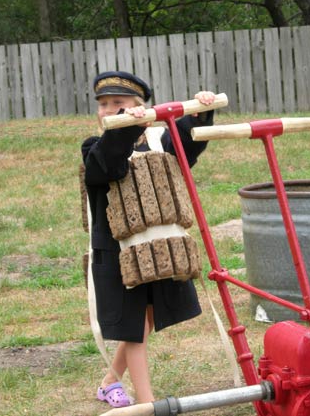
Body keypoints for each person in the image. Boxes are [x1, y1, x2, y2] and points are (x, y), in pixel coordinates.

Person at [81, 71, 215, 408]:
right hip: (118, 251)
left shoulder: (159, 140)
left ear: (140, 107)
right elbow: (109, 165)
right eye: (103, 104)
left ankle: (109, 382)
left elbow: (188, 147)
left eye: (119, 103)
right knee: (134, 325)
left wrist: (200, 111)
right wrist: (126, 127)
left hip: (160, 248)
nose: (108, 109)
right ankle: (148, 403)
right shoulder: (94, 148)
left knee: (148, 318)